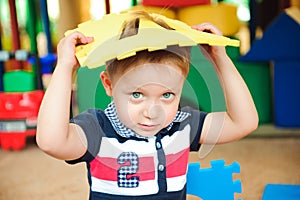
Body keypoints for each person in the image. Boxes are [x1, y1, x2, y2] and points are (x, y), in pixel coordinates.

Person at [36, 11, 258, 200]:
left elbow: (244, 122)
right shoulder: (97, 130)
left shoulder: (183, 125)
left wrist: (220, 59)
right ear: (108, 85)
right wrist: (65, 67)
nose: (153, 112)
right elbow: (50, 141)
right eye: (137, 94)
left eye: (167, 95)